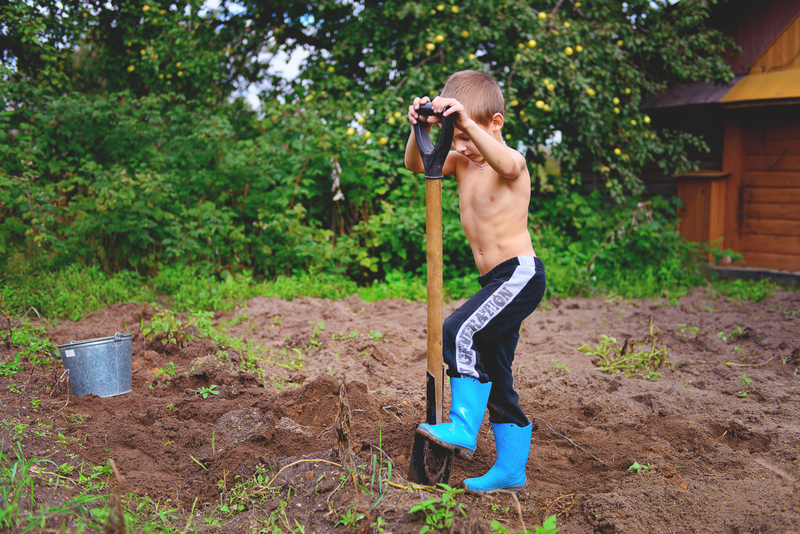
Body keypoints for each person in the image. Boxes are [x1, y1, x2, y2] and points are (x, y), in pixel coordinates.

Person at [404, 70, 546, 493]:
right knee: (497, 374)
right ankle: (511, 470)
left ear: (495, 123)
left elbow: (506, 161)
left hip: (519, 275)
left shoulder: (511, 162)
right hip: (494, 282)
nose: (461, 146)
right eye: (455, 136)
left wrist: (466, 123)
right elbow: (416, 163)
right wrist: (419, 128)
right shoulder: (462, 163)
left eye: (466, 135)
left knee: (457, 330)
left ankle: (463, 427)